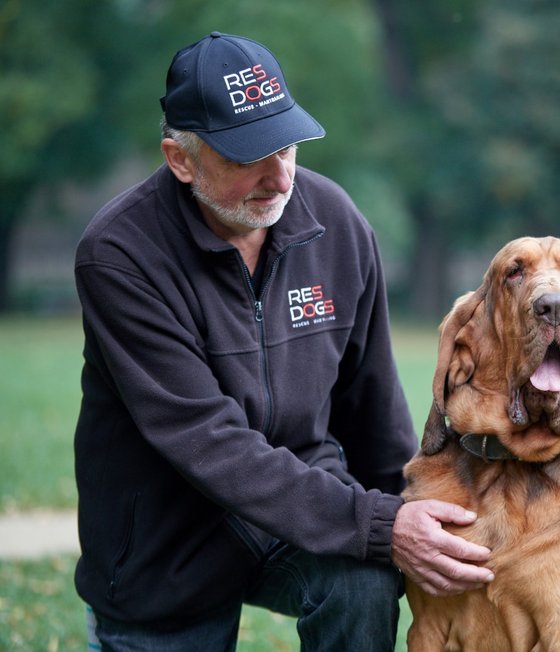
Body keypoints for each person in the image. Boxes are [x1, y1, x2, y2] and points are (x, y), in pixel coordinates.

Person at [73, 31, 494, 651]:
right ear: (180, 158)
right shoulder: (120, 255)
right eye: (247, 158)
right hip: (165, 541)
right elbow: (207, 440)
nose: (279, 177)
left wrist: (417, 519)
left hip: (309, 505)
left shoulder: (337, 223)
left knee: (362, 577)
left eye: (287, 145)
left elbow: (372, 408)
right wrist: (379, 524)